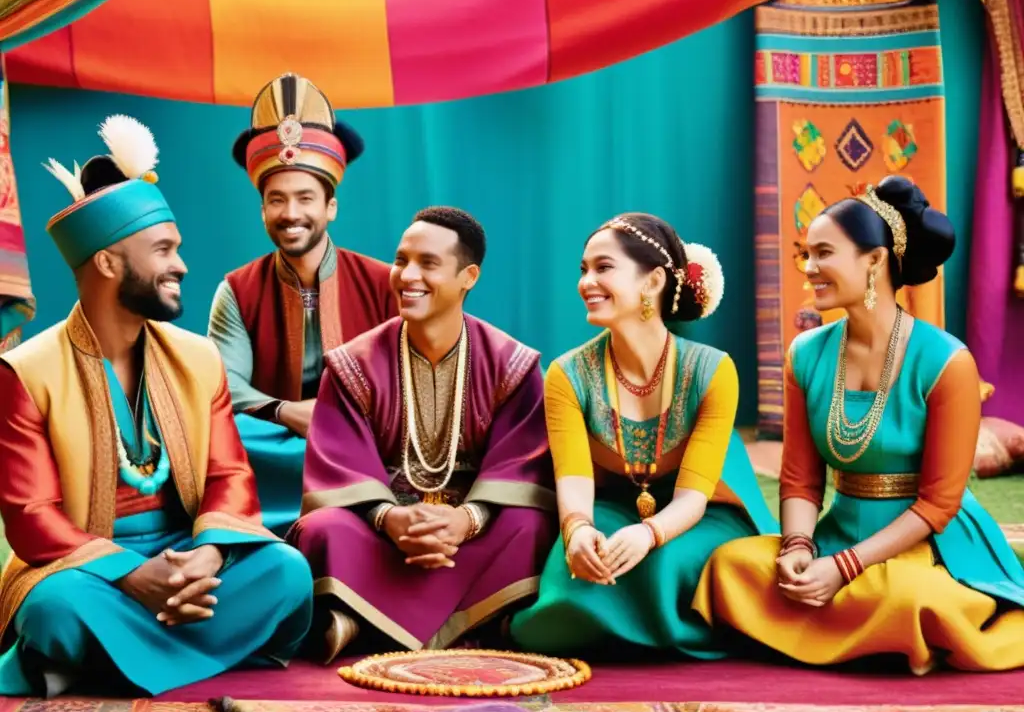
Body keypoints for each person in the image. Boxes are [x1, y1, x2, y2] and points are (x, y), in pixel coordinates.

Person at [0, 115, 313, 698]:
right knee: (53, 609)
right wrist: (131, 573)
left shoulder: (198, 358)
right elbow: (32, 514)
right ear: (108, 263)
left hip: (188, 554)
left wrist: (211, 555)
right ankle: (198, 651)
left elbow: (230, 477)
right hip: (91, 569)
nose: (182, 266)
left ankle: (108, 664)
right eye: (164, 249)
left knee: (288, 573)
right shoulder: (27, 370)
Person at [693, 176, 1024, 674]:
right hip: (836, 535)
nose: (810, 268)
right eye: (807, 254)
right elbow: (801, 480)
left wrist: (844, 568)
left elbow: (939, 504)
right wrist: (800, 548)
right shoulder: (805, 354)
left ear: (874, 261)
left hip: (928, 546)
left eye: (824, 253)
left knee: (909, 595)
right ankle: (863, 629)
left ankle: (880, 621)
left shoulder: (946, 362)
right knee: (730, 566)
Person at [288, 206, 557, 662]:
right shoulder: (352, 364)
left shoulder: (512, 364)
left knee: (531, 526)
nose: (407, 275)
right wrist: (390, 519)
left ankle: (361, 624)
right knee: (322, 529)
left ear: (468, 277)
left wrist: (465, 519)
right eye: (401, 260)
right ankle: (486, 625)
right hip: (386, 533)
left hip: (473, 531)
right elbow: (340, 465)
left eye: (428, 264)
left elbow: (523, 467)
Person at [509, 213, 777, 657]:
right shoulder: (566, 375)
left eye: (603, 267)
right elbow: (573, 478)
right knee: (568, 590)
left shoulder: (712, 371)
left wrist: (649, 534)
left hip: (701, 513)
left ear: (652, 281)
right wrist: (578, 532)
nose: (586, 282)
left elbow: (693, 497)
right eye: (583, 269)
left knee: (666, 565)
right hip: (609, 510)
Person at [208, 72, 397, 537]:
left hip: (366, 443)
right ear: (262, 211)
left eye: (305, 198)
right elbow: (221, 386)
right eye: (277, 200)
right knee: (217, 437)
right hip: (272, 447)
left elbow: (408, 379)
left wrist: (343, 421)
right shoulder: (237, 289)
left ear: (330, 207)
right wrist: (285, 412)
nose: (291, 214)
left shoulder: (384, 282)